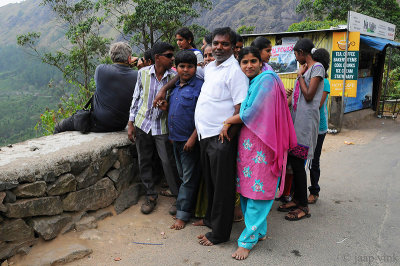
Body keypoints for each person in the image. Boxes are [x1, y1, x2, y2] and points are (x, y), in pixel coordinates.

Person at [220, 46, 296, 260]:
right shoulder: (252, 82)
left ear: (261, 62)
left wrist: (227, 121)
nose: (249, 65)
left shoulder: (267, 80)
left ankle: (246, 241)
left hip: (264, 144)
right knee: (246, 189)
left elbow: (250, 112)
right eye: (245, 62)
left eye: (253, 61)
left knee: (258, 190)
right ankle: (259, 231)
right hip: (249, 145)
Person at [194, 27, 249, 246]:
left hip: (221, 138)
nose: (218, 47)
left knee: (223, 187)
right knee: (211, 184)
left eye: (224, 44)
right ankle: (210, 220)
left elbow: (241, 109)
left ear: (234, 47)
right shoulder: (211, 68)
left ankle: (220, 233)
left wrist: (227, 137)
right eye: (215, 43)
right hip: (205, 135)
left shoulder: (234, 71)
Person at [278, 38, 330, 221]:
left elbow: (308, 96)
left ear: (301, 52)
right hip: (297, 122)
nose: (295, 57)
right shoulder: (308, 69)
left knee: (299, 164)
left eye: (295, 54)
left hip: (306, 124)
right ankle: (297, 199)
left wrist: (300, 76)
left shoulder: (317, 68)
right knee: (294, 161)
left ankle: (303, 207)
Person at [128, 42, 180, 215]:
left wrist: (167, 105)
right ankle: (150, 196)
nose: (172, 58)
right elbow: (136, 98)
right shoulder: (143, 73)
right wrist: (130, 123)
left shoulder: (175, 76)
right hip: (143, 124)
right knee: (144, 160)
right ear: (157, 57)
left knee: (168, 162)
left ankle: (179, 198)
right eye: (169, 55)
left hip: (162, 126)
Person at [157, 50, 203, 230]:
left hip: (189, 140)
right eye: (182, 66)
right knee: (183, 175)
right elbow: (177, 111)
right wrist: (165, 108)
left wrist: (192, 138)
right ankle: (189, 208)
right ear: (177, 68)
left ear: (195, 67)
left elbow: (203, 116)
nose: (185, 70)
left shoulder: (200, 87)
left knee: (188, 178)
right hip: (175, 138)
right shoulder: (175, 87)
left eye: (190, 67)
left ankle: (183, 214)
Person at [54, 42, 138, 133]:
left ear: (112, 57)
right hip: (120, 125)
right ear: (129, 58)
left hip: (98, 123)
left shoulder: (101, 70)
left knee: (59, 127)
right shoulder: (137, 76)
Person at [308, 75, 331, 204]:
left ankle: (314, 191)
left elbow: (318, 105)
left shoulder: (325, 83)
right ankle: (294, 191)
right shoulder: (307, 80)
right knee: (300, 159)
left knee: (314, 160)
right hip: (305, 126)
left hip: (318, 127)